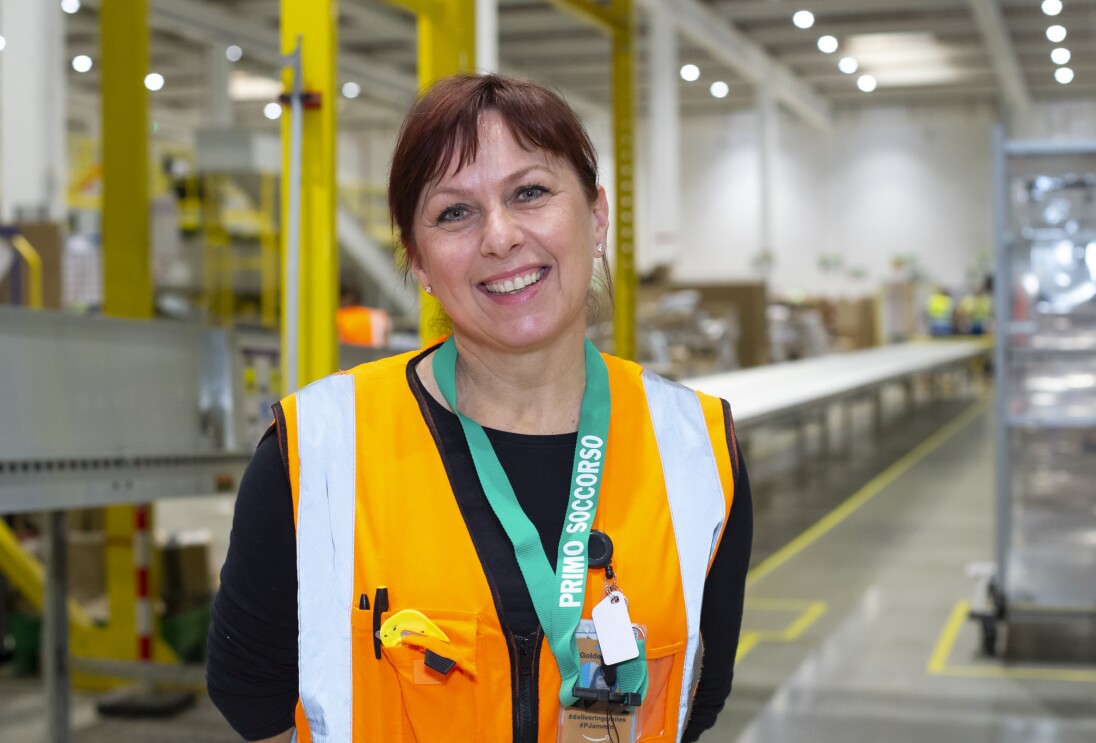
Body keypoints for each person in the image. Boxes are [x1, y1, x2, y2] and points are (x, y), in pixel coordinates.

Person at [207, 73, 752, 743]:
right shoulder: (315, 452)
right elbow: (252, 696)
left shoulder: (697, 448)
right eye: (453, 212)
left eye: (530, 192)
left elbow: (699, 693)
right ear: (419, 260)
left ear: (597, 215)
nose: (499, 236)